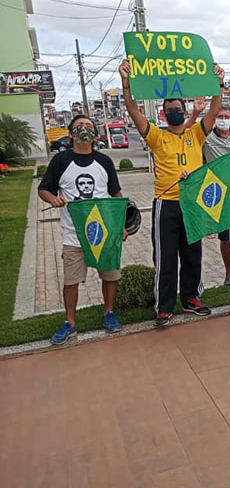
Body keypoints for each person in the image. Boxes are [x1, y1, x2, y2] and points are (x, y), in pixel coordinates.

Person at [119, 58, 224, 326]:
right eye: (170, 109)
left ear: (184, 109)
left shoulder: (196, 134)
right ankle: (164, 308)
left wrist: (218, 83)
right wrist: (126, 83)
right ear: (164, 114)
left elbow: (215, 110)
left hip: (191, 205)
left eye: (178, 108)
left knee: (192, 254)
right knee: (165, 257)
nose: (174, 112)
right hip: (165, 204)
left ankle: (191, 299)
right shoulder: (156, 136)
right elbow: (133, 110)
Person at [38, 114, 126, 344]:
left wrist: (122, 224)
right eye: (79, 126)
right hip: (73, 233)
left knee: (110, 275)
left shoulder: (104, 162)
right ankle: (70, 322)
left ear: (95, 135)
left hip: (104, 233)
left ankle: (108, 313)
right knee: (71, 280)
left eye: (88, 126)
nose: (84, 130)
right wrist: (53, 199)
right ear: (70, 134)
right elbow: (43, 189)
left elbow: (116, 195)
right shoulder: (60, 161)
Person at [191, 99, 230, 286]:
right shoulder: (206, 138)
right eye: (220, 117)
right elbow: (188, 136)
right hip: (220, 195)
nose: (223, 120)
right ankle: (229, 271)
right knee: (225, 237)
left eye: (226, 117)